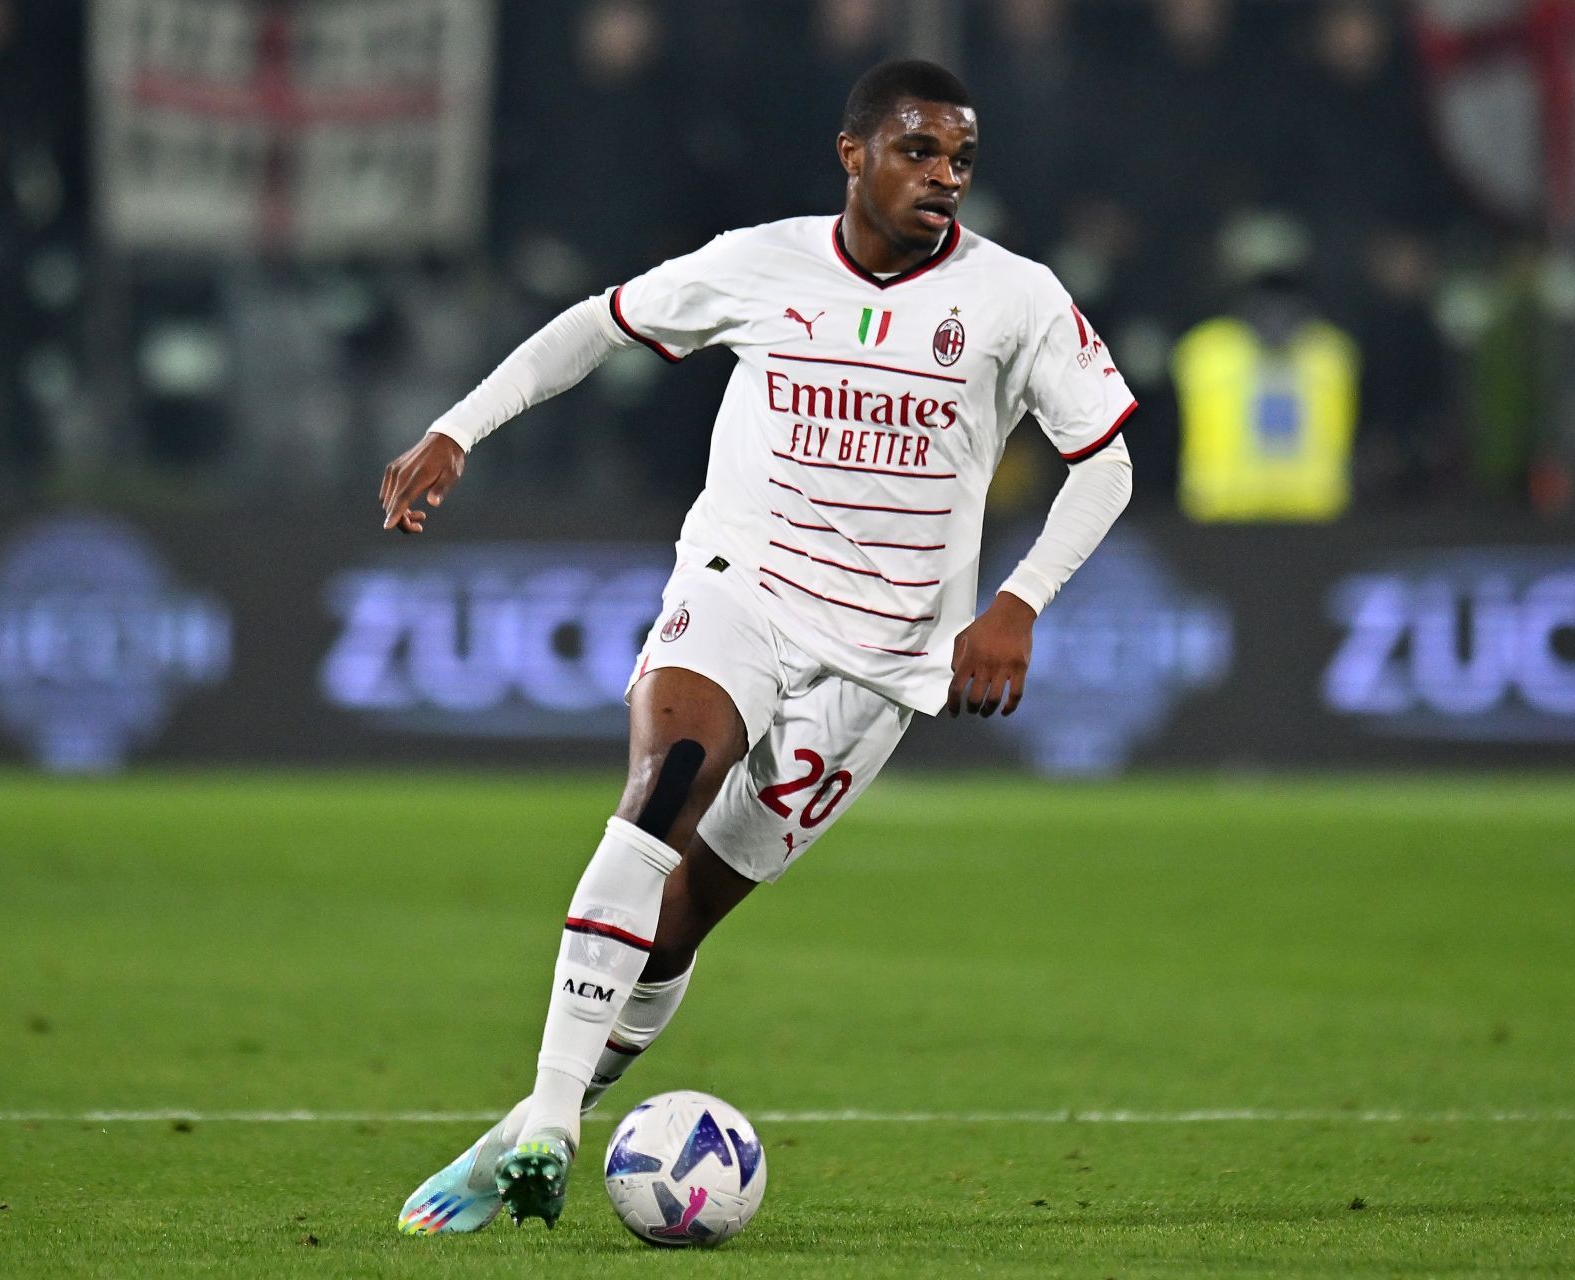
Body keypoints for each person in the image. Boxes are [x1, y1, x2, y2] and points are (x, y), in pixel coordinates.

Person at [379, 59, 1138, 1235]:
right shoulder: (760, 263)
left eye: (961, 161)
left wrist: (1020, 600)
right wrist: (456, 427)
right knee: (661, 786)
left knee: (681, 918)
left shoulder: (1017, 297)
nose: (944, 178)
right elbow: (599, 323)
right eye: (919, 151)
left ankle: (517, 1130)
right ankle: (547, 1123)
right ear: (854, 154)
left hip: (886, 659)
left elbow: (1109, 460)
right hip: (745, 586)